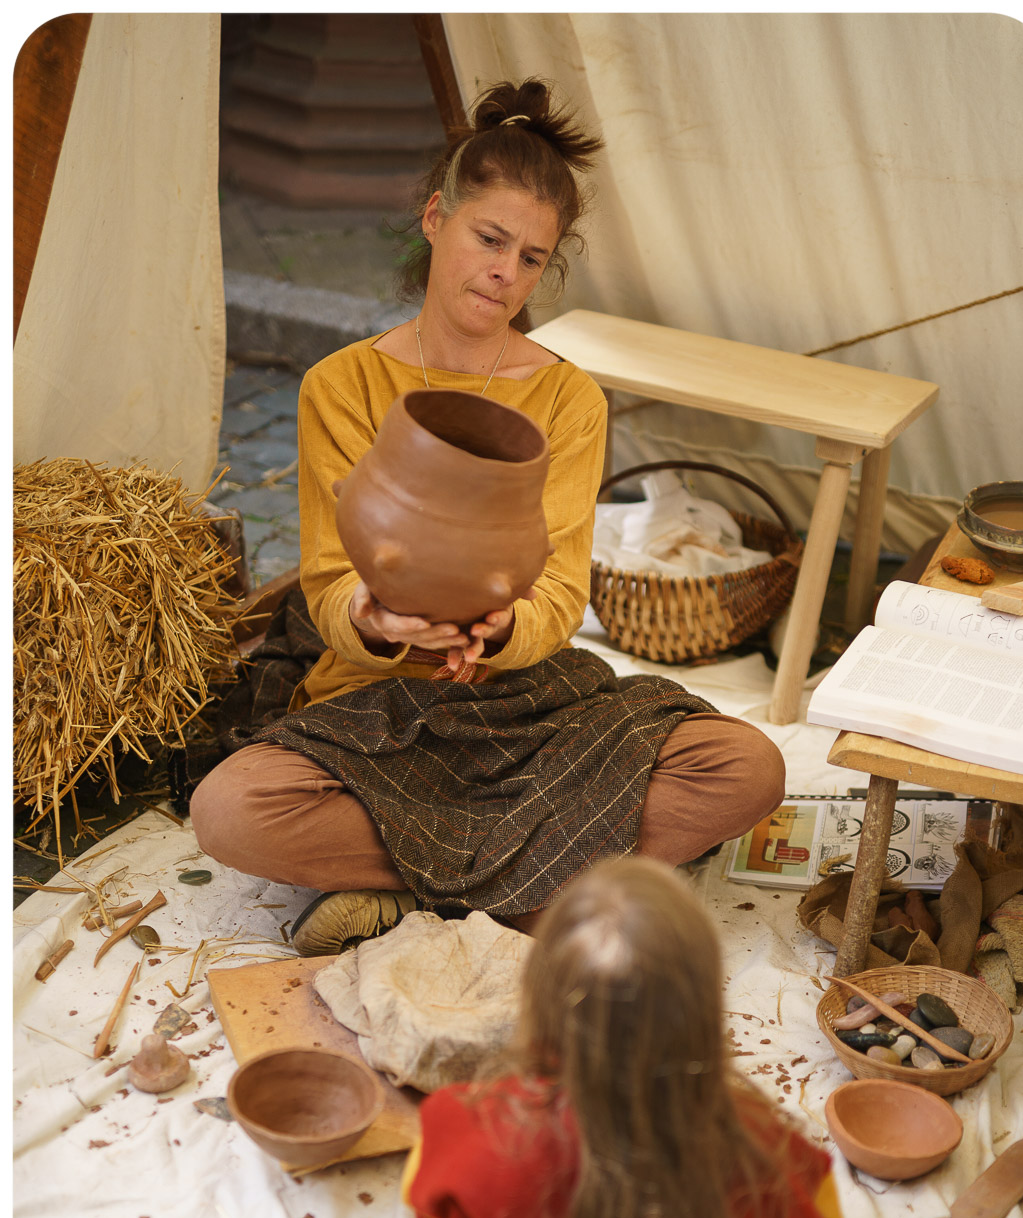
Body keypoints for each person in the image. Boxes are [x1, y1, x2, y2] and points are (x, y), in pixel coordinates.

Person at [190, 79, 786, 941]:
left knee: (744, 769)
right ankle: (544, 884)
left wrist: (504, 629)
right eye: (489, 238)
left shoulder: (569, 399)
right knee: (233, 811)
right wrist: (378, 617)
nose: (505, 272)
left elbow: (558, 591)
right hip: (378, 706)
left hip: (521, 702)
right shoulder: (343, 384)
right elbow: (325, 582)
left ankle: (411, 891)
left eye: (532, 257)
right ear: (436, 218)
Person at [286, 859, 879, 1218]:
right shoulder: (766, 1150)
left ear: (539, 999)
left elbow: (430, 1207)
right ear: (699, 1009)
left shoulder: (473, 1122)